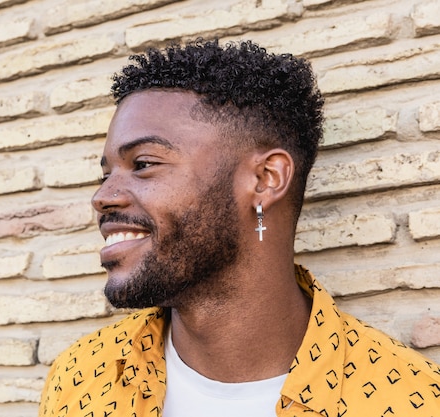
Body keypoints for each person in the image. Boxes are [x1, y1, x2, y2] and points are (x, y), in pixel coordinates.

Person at [38, 40, 440, 417]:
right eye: (106, 173)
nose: (103, 197)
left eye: (143, 164)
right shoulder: (81, 376)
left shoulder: (412, 400)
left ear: (265, 180)